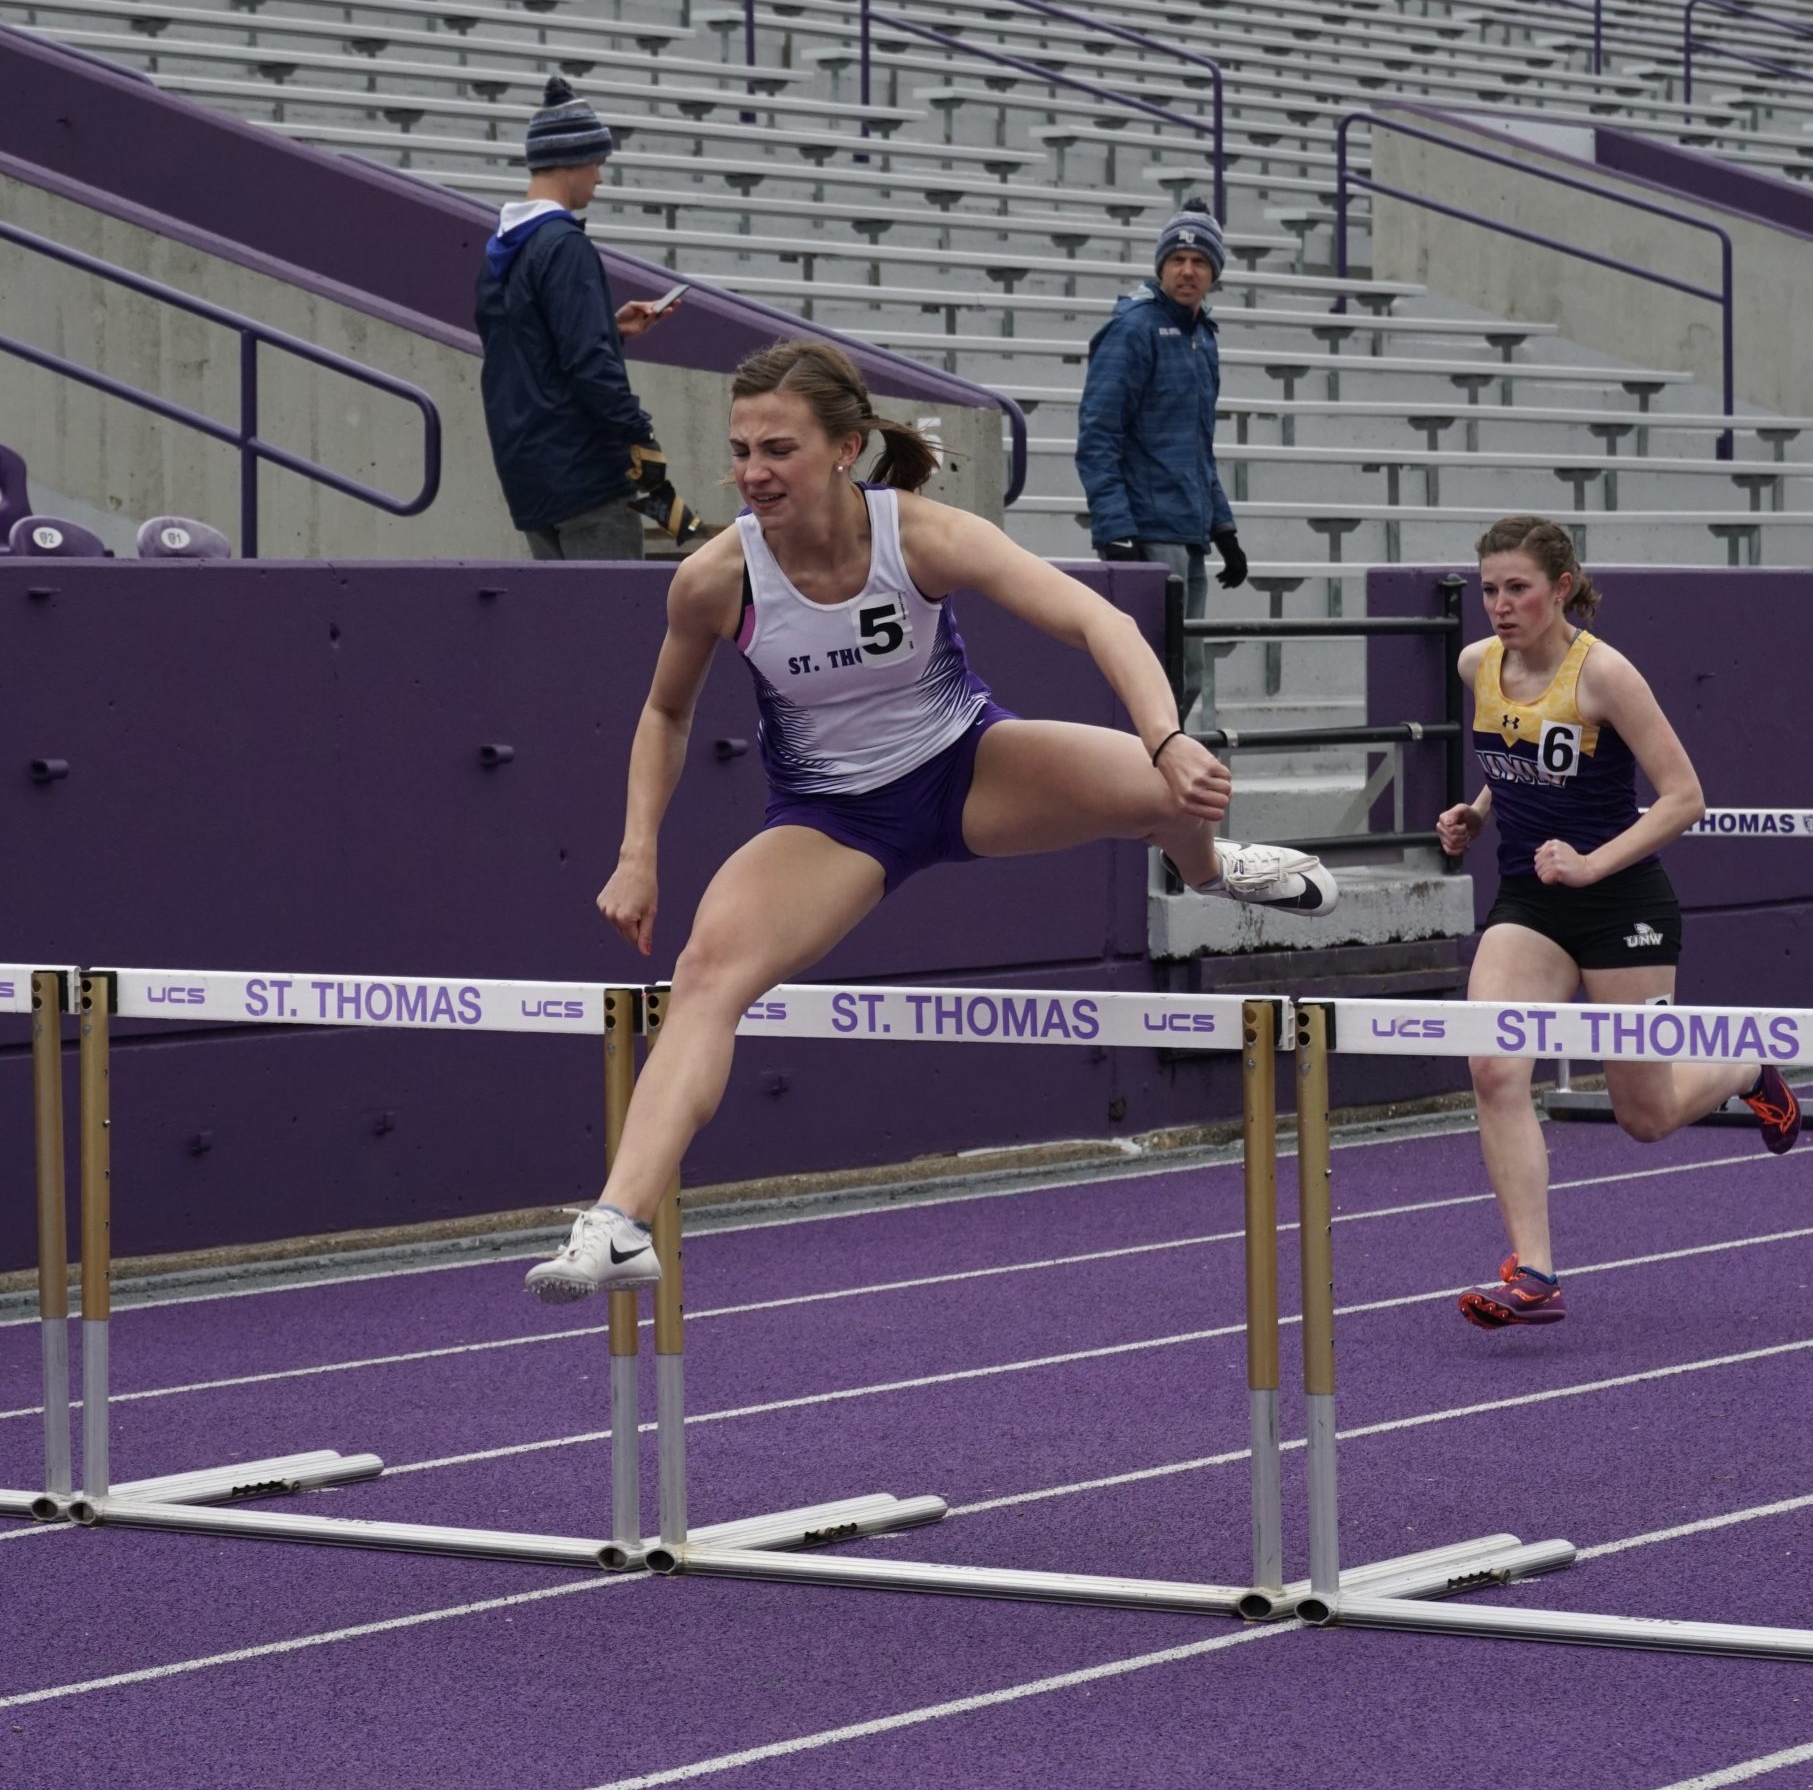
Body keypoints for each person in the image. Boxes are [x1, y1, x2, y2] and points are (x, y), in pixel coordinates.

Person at [524, 338, 1338, 1302]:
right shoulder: (715, 578)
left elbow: (1099, 623)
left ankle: (1207, 872)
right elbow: (664, 713)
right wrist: (636, 855)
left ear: (845, 448)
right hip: (832, 822)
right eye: (740, 449)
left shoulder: (918, 535)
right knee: (705, 975)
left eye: (777, 449)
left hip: (968, 768)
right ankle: (620, 1222)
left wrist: (1165, 738)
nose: (752, 472)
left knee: (1173, 793)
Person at [1436, 516, 1800, 1330]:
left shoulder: (1604, 675)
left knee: (1643, 1115)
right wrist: (1478, 813)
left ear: (1560, 588)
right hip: (1529, 904)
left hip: (1619, 904)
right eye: (1488, 589)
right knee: (1494, 1067)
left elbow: (1684, 797)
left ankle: (1742, 1069)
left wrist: (1594, 864)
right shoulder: (1476, 666)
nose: (1498, 606)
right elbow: (1518, 753)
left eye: (1517, 588)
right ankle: (1535, 1272)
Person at [475, 76, 699, 560]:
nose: (599, 177)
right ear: (573, 160)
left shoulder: (501, 250)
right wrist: (639, 434)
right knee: (609, 627)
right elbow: (588, 363)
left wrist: (609, 327)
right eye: (596, 162)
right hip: (587, 476)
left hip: (529, 478)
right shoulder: (564, 246)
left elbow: (528, 350)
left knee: (559, 629)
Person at [1075, 203, 1247, 726]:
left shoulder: (1203, 338)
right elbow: (1098, 437)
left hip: (1188, 530)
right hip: (1147, 532)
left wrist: (1224, 529)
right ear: (1161, 266)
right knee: (1155, 673)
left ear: (1214, 272)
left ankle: (1144, 776)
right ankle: (1128, 777)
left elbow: (1198, 446)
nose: (1188, 270)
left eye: (1199, 260)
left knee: (1182, 675)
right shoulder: (1133, 330)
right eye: (1177, 258)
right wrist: (1116, 531)